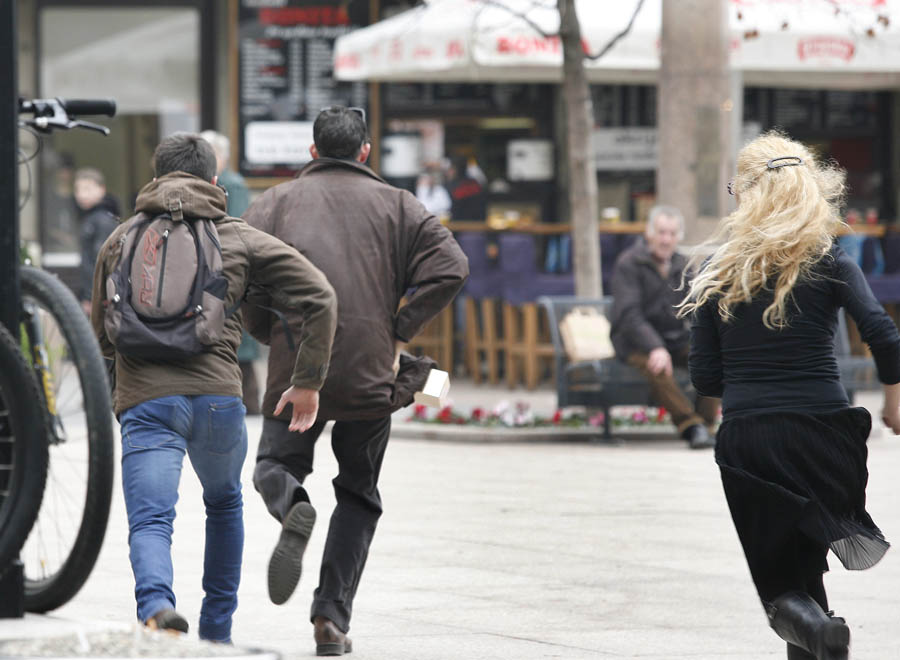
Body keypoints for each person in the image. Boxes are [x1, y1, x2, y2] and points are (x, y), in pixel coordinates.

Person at [90, 133, 337, 642]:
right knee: (223, 504)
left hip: (147, 401)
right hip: (219, 401)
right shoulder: (239, 236)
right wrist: (307, 383)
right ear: (215, 180)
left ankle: (158, 607)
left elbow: (100, 334)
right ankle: (217, 635)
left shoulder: (120, 240)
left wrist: (124, 387)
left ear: (156, 176)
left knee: (152, 519)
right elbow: (321, 295)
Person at [242, 106, 468, 656]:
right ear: (366, 152)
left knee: (275, 463)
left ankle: (292, 500)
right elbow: (451, 267)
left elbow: (241, 274)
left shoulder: (274, 203)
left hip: (299, 369)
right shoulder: (399, 205)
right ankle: (331, 619)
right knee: (358, 493)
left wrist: (269, 331)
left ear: (313, 151)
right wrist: (400, 329)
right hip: (373, 369)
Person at [679, 132, 899, 660]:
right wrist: (894, 402)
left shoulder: (719, 272)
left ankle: (822, 632)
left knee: (782, 592)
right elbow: (885, 336)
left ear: (748, 195)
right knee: (805, 573)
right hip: (829, 436)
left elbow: (707, 381)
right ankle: (822, 636)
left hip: (753, 439)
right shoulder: (831, 260)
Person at [608, 205, 717, 449]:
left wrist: (710, 338)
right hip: (634, 342)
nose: (666, 239)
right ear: (649, 234)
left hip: (674, 339)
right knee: (658, 365)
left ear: (678, 237)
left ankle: (707, 425)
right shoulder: (629, 264)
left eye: (671, 233)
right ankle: (691, 426)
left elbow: (697, 306)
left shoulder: (682, 264)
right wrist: (655, 347)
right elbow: (629, 315)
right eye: (661, 232)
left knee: (711, 357)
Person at [200, 130, 262, 413]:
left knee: (239, 342)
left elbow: (234, 228)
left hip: (229, 267)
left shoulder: (232, 185)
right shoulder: (208, 182)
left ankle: (248, 402)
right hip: (215, 267)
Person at [75, 167, 119, 314]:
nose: (81, 195)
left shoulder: (102, 220)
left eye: (87, 189)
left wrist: (90, 296)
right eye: (78, 190)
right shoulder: (91, 217)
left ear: (102, 189)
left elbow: (99, 261)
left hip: (98, 297)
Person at [446, 156, 487, 221]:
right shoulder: (476, 183)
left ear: (455, 169)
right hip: (480, 226)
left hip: (458, 227)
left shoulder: (450, 186)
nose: (448, 172)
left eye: (450, 169)